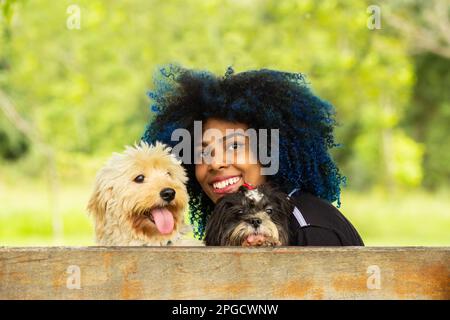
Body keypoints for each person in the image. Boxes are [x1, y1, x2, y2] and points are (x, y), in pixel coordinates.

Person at [142, 65, 364, 246]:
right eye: (203, 152)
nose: (216, 163)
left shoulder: (309, 227)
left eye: (235, 146)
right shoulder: (232, 227)